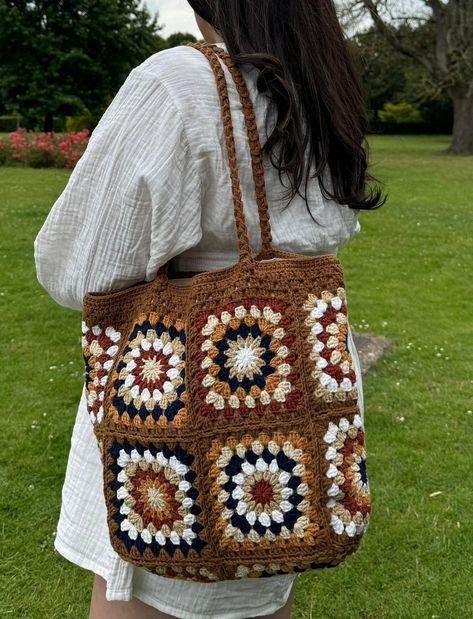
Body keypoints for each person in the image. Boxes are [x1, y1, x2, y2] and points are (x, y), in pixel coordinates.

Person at [34, 1, 383, 618]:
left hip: (184, 405)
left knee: (152, 575)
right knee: (266, 561)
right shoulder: (316, 83)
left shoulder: (180, 84)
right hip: (293, 400)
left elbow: (77, 268)